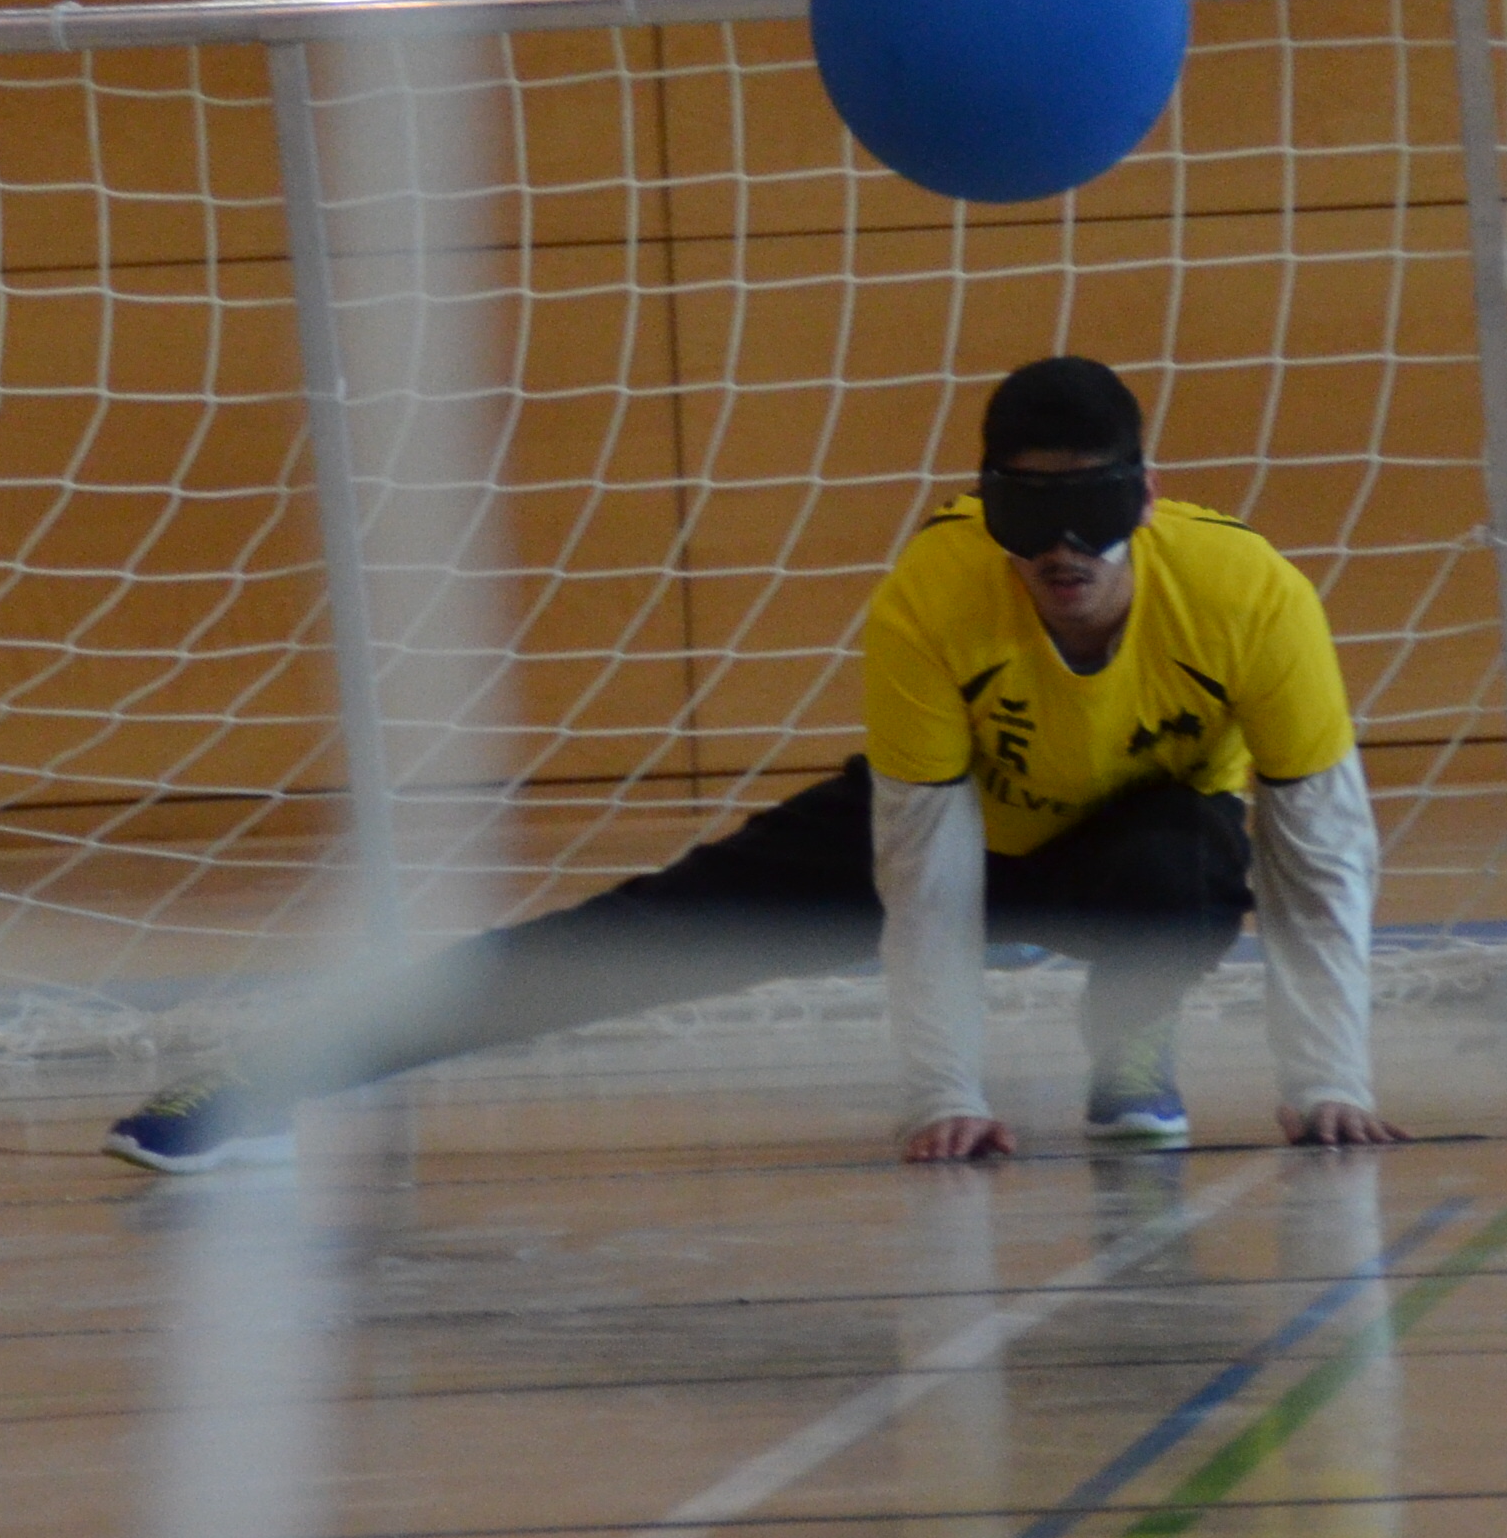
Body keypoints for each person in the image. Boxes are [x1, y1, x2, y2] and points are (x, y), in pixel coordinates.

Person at [105, 355, 1405, 1171]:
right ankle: (266, 1074)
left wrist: (1328, 1083)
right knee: (627, 938)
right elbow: (925, 867)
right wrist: (943, 1094)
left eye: (1091, 511)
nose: (1061, 550)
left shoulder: (1251, 597)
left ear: (1147, 494)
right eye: (1029, 513)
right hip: (952, 826)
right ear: (986, 501)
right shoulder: (932, 594)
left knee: (1191, 860)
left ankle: (1132, 1039)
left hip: (1136, 853)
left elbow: (1320, 849)